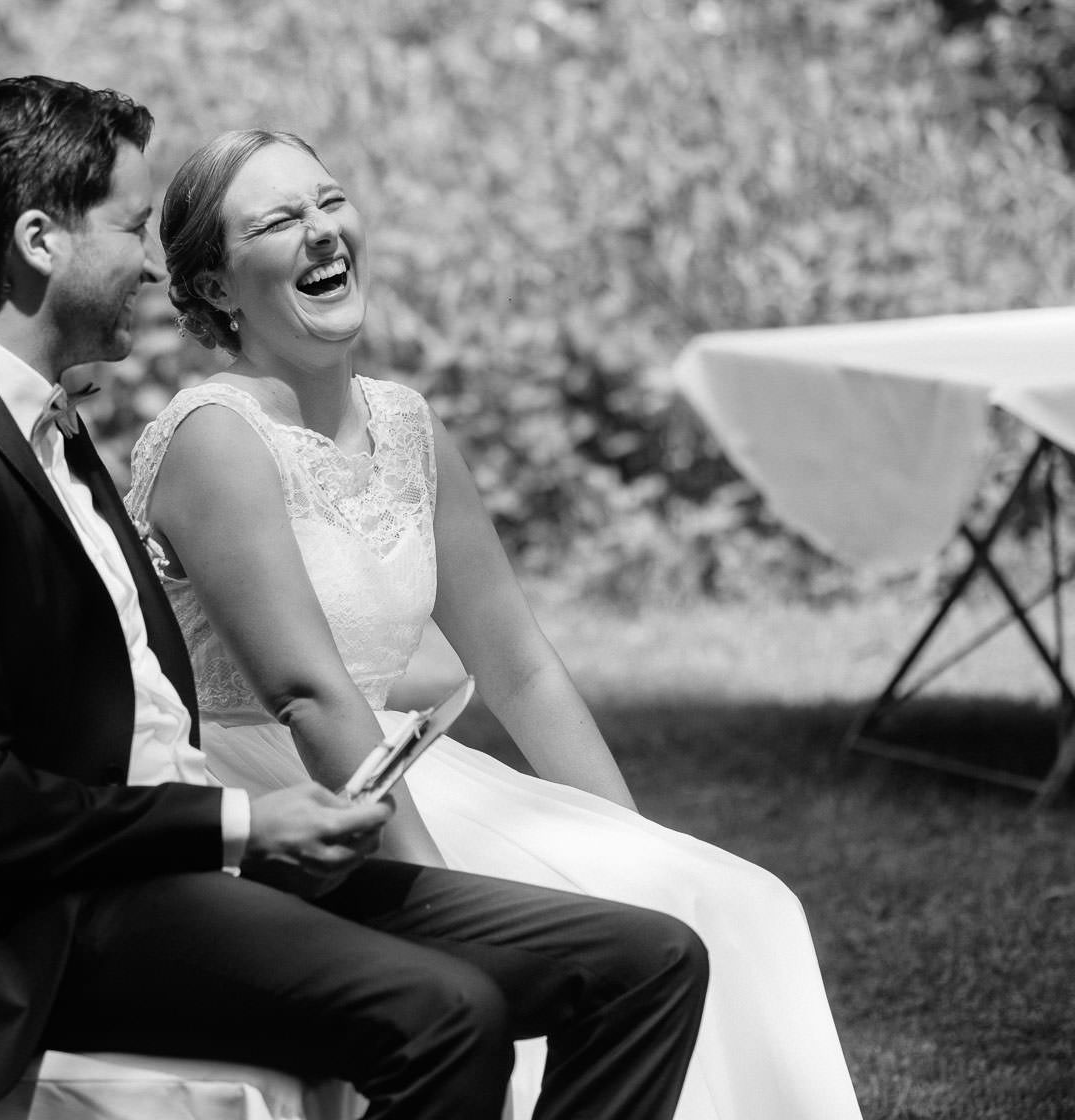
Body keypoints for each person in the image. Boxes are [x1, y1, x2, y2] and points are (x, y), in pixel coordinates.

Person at [0, 78, 708, 1120]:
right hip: (45, 931)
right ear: (40, 240)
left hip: (187, 878)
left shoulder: (39, 427)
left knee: (650, 959)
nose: (150, 262)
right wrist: (237, 823)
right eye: (132, 226)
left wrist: (252, 835)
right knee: (447, 1013)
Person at [125, 129, 863, 1120]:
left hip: (400, 767)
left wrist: (632, 839)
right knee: (611, 942)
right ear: (216, 287)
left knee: (731, 897)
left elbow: (521, 669)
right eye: (277, 220)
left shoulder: (409, 426)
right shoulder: (215, 436)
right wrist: (448, 905)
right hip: (283, 793)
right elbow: (310, 697)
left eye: (329, 201)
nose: (320, 232)